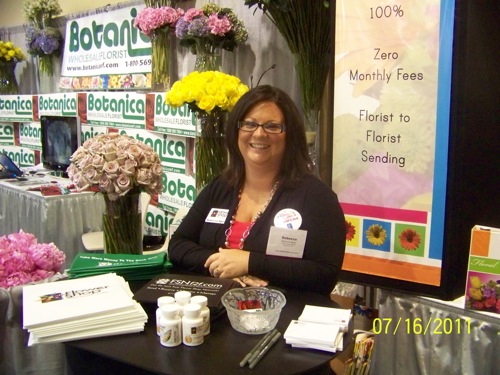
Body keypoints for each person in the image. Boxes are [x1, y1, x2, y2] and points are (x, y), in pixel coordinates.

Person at [168, 85, 346, 295]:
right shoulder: (220, 187)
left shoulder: (317, 198)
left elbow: (325, 275)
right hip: (217, 311)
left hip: (283, 315)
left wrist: (249, 262)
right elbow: (178, 245)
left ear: (290, 135)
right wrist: (223, 265)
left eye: (272, 126)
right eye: (249, 124)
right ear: (236, 131)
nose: (259, 133)